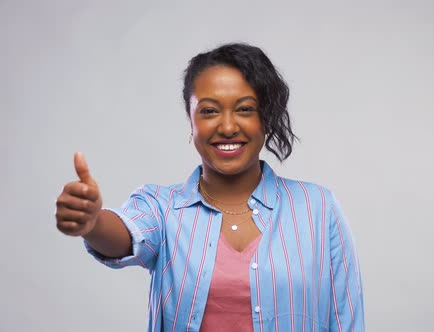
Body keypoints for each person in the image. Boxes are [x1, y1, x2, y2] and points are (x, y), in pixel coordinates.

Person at [55, 43, 364, 332]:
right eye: (209, 111)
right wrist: (92, 222)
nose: (227, 127)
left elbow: (346, 320)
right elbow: (124, 235)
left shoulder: (318, 209)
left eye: (244, 109)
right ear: (191, 121)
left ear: (266, 119)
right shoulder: (162, 208)